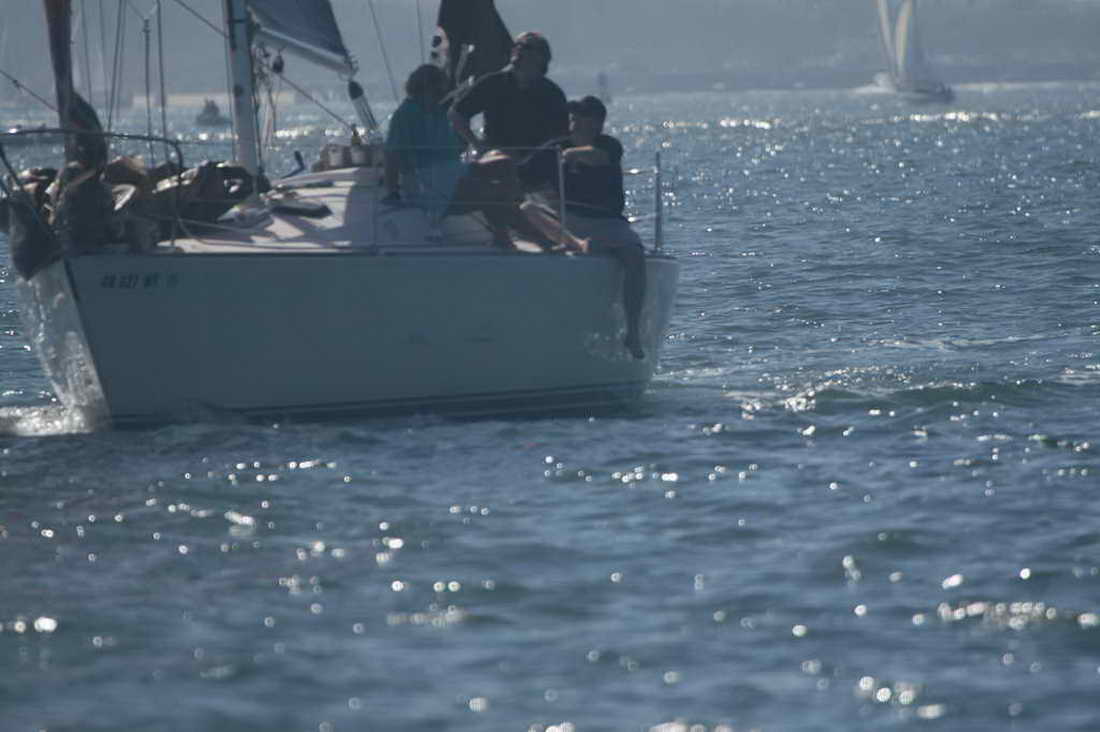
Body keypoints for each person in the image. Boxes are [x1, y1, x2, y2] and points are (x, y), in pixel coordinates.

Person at [517, 95, 648, 359]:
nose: (574, 124)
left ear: (597, 123)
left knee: (635, 256)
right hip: (567, 219)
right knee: (527, 208)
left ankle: (632, 331)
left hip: (606, 221)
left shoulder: (608, 145)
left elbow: (599, 158)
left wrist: (571, 155)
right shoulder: (553, 148)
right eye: (573, 119)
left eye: (582, 119)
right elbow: (521, 176)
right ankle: (575, 243)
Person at [447, 31, 568, 156]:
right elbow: (456, 114)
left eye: (525, 46)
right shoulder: (493, 84)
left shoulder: (552, 94)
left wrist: (533, 156)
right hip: (496, 159)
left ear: (541, 57)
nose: (518, 49)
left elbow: (561, 136)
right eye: (516, 45)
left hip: (537, 160)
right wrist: (477, 144)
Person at [383, 64, 466, 220]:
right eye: (438, 91)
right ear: (425, 89)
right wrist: (392, 192)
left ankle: (504, 231)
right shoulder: (405, 114)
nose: (441, 95)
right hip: (424, 181)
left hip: (448, 177)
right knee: (491, 180)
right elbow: (392, 154)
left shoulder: (438, 112)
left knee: (496, 172)